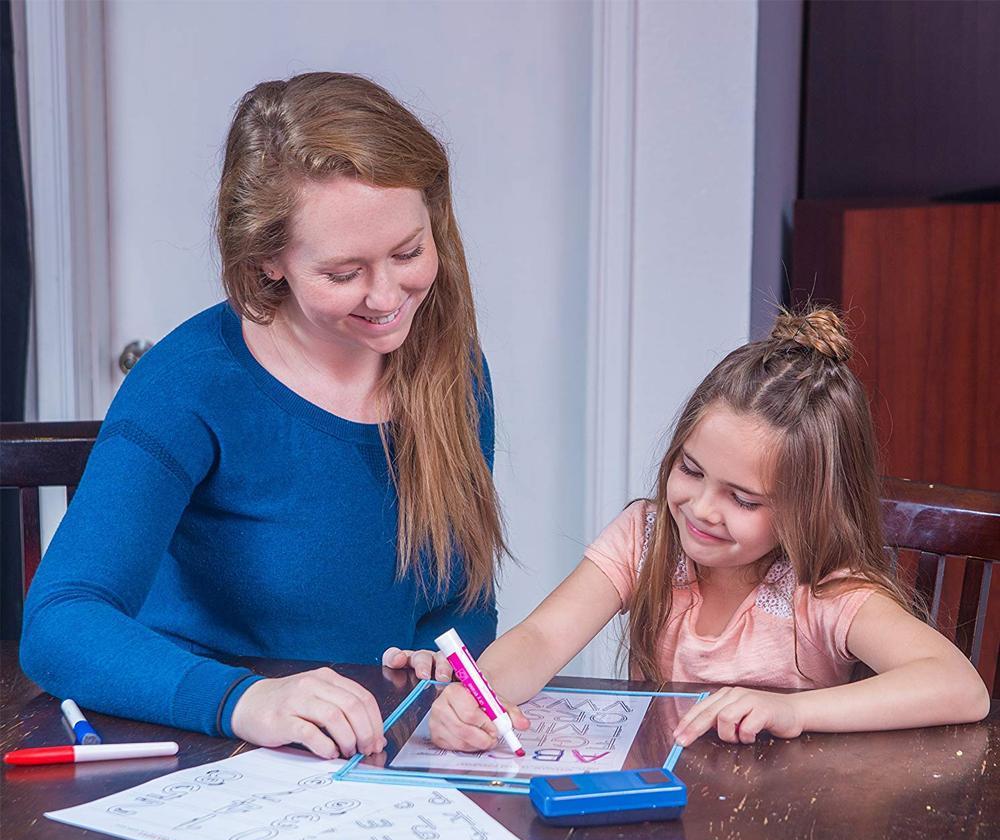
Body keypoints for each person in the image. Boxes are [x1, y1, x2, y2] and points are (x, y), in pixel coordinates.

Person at [21, 72, 506, 760]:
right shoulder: (189, 383)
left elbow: (463, 601)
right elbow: (61, 623)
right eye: (344, 272)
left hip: (372, 752)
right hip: (205, 751)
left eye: (408, 252)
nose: (388, 294)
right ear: (267, 260)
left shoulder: (454, 375)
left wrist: (439, 663)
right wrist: (245, 699)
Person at [413, 307, 991, 751]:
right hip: (664, 818)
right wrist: (477, 694)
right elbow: (541, 640)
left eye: (742, 499)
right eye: (690, 470)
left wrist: (794, 712)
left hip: (784, 828)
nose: (701, 508)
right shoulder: (645, 540)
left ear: (808, 509)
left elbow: (960, 687)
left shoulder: (825, 590)